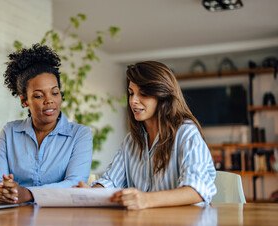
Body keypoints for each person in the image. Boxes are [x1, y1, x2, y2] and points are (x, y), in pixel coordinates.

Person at [76, 61, 216, 210]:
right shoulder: (131, 141)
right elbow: (110, 182)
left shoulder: (186, 133)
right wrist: (91, 194)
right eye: (131, 93)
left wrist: (146, 200)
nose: (133, 101)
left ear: (162, 96)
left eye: (143, 94)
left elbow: (196, 190)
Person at [0, 44, 93, 204]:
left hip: (58, 218)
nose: (49, 100)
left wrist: (27, 194)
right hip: (14, 217)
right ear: (24, 100)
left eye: (55, 93)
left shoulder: (79, 134)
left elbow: (75, 184)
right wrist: (1, 192)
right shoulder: (9, 132)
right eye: (38, 95)